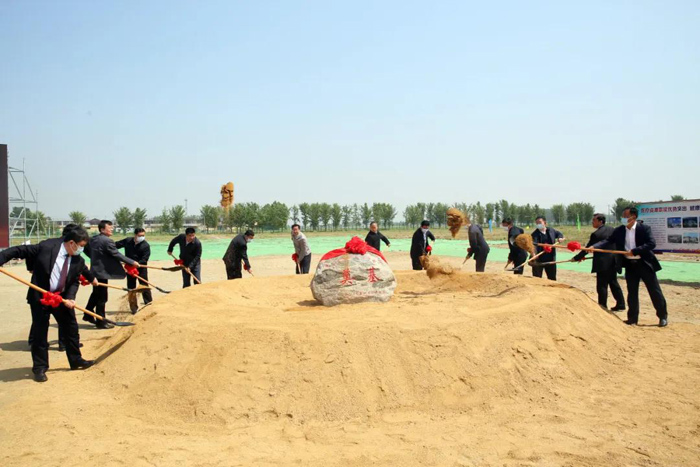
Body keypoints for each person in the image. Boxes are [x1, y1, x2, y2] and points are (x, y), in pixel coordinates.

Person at [0, 227, 98, 382]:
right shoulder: (47, 247)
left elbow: (74, 282)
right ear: (71, 243)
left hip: (61, 298)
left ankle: (76, 360)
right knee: (40, 332)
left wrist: (71, 298)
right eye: (81, 246)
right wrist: (1, 259)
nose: (82, 250)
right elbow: (19, 250)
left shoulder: (78, 260)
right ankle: (40, 368)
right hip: (41, 297)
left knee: (71, 329)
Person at [589, 207, 668, 327]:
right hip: (630, 266)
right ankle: (632, 318)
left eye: (625, 216)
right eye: (622, 216)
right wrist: (594, 247)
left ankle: (662, 317)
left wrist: (635, 251)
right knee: (632, 293)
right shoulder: (620, 230)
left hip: (645, 264)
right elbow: (608, 240)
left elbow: (651, 243)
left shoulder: (644, 228)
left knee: (654, 291)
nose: (623, 219)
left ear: (633, 217)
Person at [84, 220, 141, 328]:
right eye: (109, 228)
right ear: (102, 229)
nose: (112, 229)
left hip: (95, 270)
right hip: (102, 273)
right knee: (102, 297)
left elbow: (86, 250)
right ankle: (101, 322)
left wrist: (96, 258)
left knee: (96, 294)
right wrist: (132, 262)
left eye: (112, 227)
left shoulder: (93, 239)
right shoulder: (107, 241)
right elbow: (116, 254)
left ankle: (88, 314)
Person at [572, 214, 625, 311]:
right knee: (613, 282)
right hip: (613, 261)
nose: (592, 222)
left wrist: (576, 258)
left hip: (602, 262)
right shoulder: (612, 230)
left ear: (600, 221)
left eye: (594, 220)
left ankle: (602, 305)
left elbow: (588, 249)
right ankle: (621, 304)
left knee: (602, 285)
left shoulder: (596, 234)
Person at [116, 228, 153, 313]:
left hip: (141, 268)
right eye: (140, 235)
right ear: (135, 235)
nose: (142, 237)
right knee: (131, 288)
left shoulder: (145, 245)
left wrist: (136, 264)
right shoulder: (127, 241)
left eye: (143, 235)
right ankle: (133, 308)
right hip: (129, 268)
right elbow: (115, 246)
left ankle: (149, 305)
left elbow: (145, 259)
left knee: (144, 286)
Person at [530, 216, 564, 281]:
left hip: (550, 259)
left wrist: (560, 237)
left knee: (552, 278)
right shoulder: (534, 234)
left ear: (545, 223)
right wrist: (533, 254)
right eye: (537, 223)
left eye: (540, 222)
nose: (538, 224)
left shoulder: (551, 230)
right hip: (539, 260)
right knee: (537, 279)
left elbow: (559, 233)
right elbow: (534, 245)